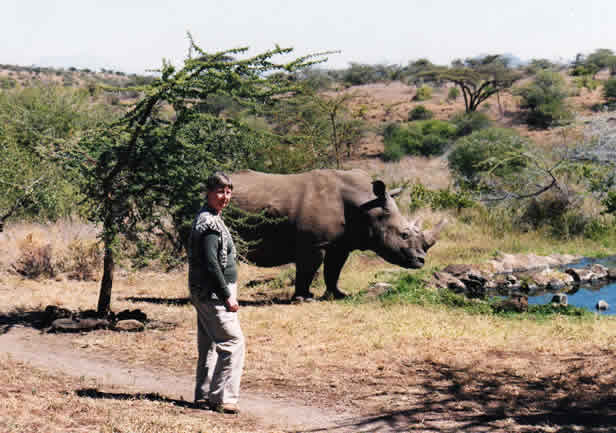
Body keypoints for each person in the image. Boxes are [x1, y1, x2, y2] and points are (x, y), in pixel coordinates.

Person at [188, 171, 244, 414]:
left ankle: (203, 395)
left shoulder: (208, 217)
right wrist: (226, 295)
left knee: (209, 344)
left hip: (204, 292)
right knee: (232, 342)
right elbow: (212, 263)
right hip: (213, 294)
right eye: (220, 191)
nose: (225, 197)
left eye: (228, 191)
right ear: (209, 193)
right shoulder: (210, 224)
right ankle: (221, 398)